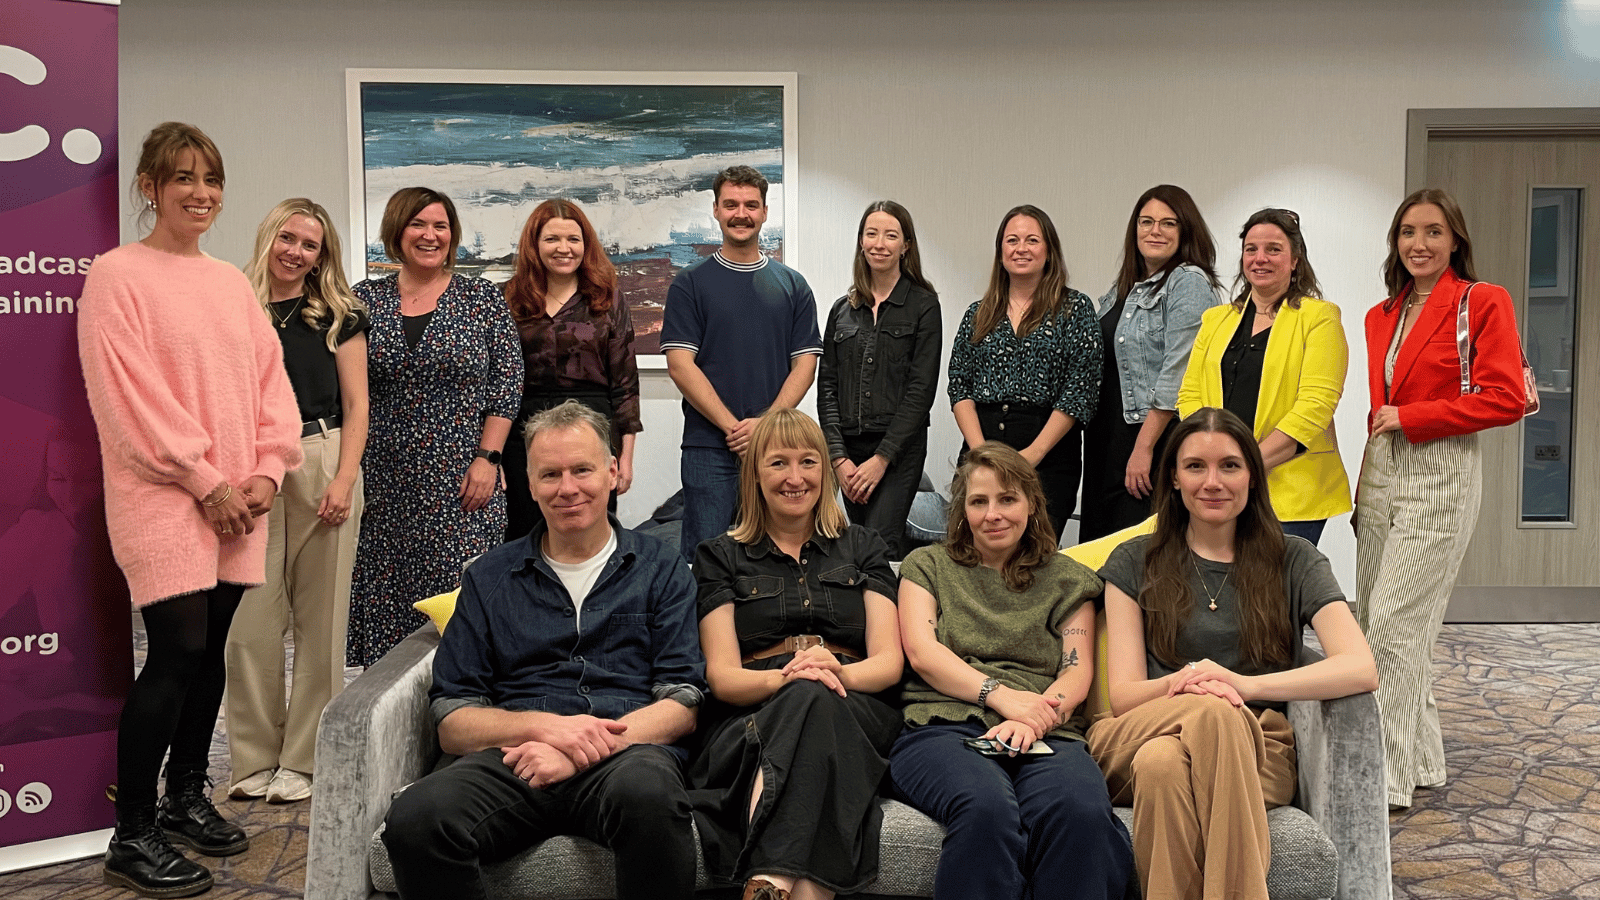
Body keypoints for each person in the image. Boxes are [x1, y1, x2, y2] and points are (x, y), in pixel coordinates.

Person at [79, 122, 303, 898]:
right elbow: (125, 399)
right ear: (149, 187)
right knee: (173, 654)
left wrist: (269, 470)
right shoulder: (117, 275)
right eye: (182, 178)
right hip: (166, 496)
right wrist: (204, 479)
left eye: (210, 178)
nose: (199, 193)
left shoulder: (229, 283)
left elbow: (272, 387)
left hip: (242, 498)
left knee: (211, 654)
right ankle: (132, 831)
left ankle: (183, 797)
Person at [380, 400, 707, 900]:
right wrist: (548, 730)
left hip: (627, 755)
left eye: (582, 470)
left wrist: (577, 752)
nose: (568, 488)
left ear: (613, 471)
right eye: (550, 474)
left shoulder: (662, 570)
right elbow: (452, 719)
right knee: (415, 818)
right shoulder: (487, 578)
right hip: (515, 758)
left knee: (651, 796)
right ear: (529, 484)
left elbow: (682, 703)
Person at [1087, 407, 1378, 900]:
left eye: (1230, 465)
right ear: (1173, 478)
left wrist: (1244, 686)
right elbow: (1126, 696)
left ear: (1252, 475)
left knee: (1164, 766)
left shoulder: (1295, 559)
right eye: (1195, 466)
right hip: (1136, 732)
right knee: (1207, 718)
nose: (1212, 481)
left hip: (1258, 744)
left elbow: (1360, 667)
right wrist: (1193, 684)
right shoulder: (1134, 560)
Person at [889, 442, 1133, 900]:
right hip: (942, 726)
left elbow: (1075, 673)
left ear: (1031, 505)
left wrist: (1032, 717)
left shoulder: (1069, 579)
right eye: (978, 502)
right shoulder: (928, 565)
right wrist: (1002, 698)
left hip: (1048, 732)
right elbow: (922, 653)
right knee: (986, 809)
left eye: (1007, 499)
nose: (993, 514)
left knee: (1080, 811)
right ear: (961, 509)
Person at [689, 408, 904, 900]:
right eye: (778, 463)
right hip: (753, 713)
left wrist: (834, 674)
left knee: (818, 698)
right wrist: (787, 678)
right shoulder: (720, 556)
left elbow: (889, 663)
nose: (795, 477)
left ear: (825, 471)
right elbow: (722, 677)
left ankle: (770, 878)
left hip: (858, 703)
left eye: (808, 461)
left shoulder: (864, 546)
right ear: (754, 474)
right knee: (809, 696)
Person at [1356, 188, 1525, 810]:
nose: (1418, 245)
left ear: (1455, 239)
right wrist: (1367, 474)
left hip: (1442, 468)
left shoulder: (1482, 301)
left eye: (1432, 232)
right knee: (1387, 624)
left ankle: (1385, 780)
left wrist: (1413, 418)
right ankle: (1421, 759)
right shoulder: (1381, 313)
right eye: (1407, 232)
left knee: (1395, 628)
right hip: (1382, 473)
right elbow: (1380, 411)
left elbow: (1507, 398)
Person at [225, 198, 369, 805]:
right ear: (269, 236)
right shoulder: (231, 306)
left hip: (320, 458)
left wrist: (342, 478)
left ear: (321, 256)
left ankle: (303, 760)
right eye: (288, 238)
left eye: (310, 245)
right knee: (247, 625)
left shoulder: (339, 315)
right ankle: (253, 757)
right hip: (249, 469)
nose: (295, 252)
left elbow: (358, 405)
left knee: (321, 621)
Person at [347, 187, 522, 667]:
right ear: (397, 232)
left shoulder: (481, 298)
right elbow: (346, 390)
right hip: (384, 484)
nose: (430, 235)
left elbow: (506, 385)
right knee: (388, 614)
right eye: (418, 225)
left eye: (440, 226)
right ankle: (386, 731)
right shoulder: (363, 300)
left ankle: (458, 719)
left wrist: (489, 459)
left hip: (463, 481)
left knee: (458, 611)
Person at [662, 165, 822, 560]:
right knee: (707, 559)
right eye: (731, 204)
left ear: (765, 212)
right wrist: (733, 427)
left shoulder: (793, 286)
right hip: (708, 448)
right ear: (715, 210)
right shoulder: (690, 284)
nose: (741, 213)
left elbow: (805, 366)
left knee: (776, 556)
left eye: (751, 205)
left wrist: (766, 425)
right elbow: (681, 364)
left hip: (776, 449)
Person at [1177, 208, 1350, 545]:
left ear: (1295, 259)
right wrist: (1217, 461)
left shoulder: (1319, 318)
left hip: (1292, 493)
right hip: (1220, 488)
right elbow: (1189, 396)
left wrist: (1244, 465)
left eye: (1274, 249)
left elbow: (1315, 405)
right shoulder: (1216, 320)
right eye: (1251, 249)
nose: (1260, 259)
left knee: (1275, 593)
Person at [947, 205, 1101, 542]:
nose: (1021, 248)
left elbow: (1080, 390)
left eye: (1032, 240)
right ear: (1000, 251)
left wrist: (1032, 454)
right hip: (980, 444)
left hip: (1047, 452)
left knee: (1035, 558)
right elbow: (959, 386)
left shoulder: (1076, 309)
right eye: (1012, 240)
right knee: (974, 555)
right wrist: (981, 454)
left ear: (1049, 251)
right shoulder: (978, 313)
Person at [1081, 185, 1220, 541]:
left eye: (1168, 223)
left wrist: (1142, 448)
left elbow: (1179, 371)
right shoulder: (1125, 287)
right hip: (1107, 437)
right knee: (1101, 552)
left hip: (1150, 437)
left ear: (1185, 231)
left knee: (1138, 553)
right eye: (1146, 222)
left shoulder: (1187, 281)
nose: (1155, 231)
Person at [501, 198, 640, 541]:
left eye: (573, 239)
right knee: (524, 534)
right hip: (523, 431)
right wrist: (491, 457)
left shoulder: (608, 299)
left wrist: (625, 458)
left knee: (589, 532)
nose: (564, 248)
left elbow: (625, 385)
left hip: (593, 428)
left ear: (585, 245)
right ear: (534, 245)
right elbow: (494, 383)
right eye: (552, 239)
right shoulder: (507, 298)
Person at [818, 201, 942, 559]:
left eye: (891, 235)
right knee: (856, 547)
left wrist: (881, 459)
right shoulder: (843, 309)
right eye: (871, 234)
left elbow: (921, 391)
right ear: (861, 241)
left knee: (879, 546)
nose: (879, 243)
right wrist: (838, 460)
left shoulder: (923, 306)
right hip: (849, 453)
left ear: (906, 245)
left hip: (898, 453)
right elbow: (826, 388)